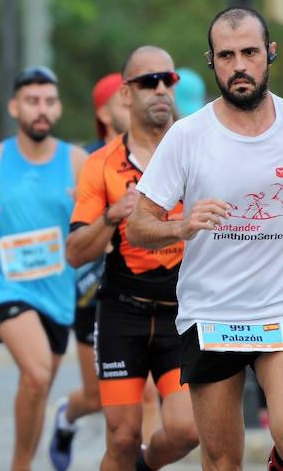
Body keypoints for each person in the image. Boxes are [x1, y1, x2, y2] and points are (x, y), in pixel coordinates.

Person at [127, 6, 283, 471]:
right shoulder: (187, 136)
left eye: (250, 52)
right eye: (227, 55)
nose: (239, 66)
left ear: (269, 54)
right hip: (212, 315)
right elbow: (138, 226)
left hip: (277, 309)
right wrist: (182, 225)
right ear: (212, 61)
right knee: (221, 460)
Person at [67, 48, 199, 471]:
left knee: (186, 431)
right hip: (123, 314)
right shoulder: (101, 164)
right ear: (126, 93)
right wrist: (111, 215)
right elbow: (75, 253)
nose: (161, 89)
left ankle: (145, 466)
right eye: (148, 81)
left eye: (168, 80)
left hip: (182, 314)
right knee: (122, 438)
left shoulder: (197, 149)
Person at [0, 65, 88, 471]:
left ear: (58, 108)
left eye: (49, 101)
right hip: (6, 283)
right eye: (32, 101)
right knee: (37, 372)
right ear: (15, 107)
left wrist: (88, 206)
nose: (41, 110)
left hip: (60, 290)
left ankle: (24, 461)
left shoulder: (77, 160)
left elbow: (94, 214)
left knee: (38, 387)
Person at [48, 72, 129, 469]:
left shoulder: (160, 152)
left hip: (145, 291)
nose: (137, 101)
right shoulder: (88, 159)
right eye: (125, 95)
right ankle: (67, 416)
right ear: (104, 110)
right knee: (96, 397)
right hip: (90, 288)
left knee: (144, 398)